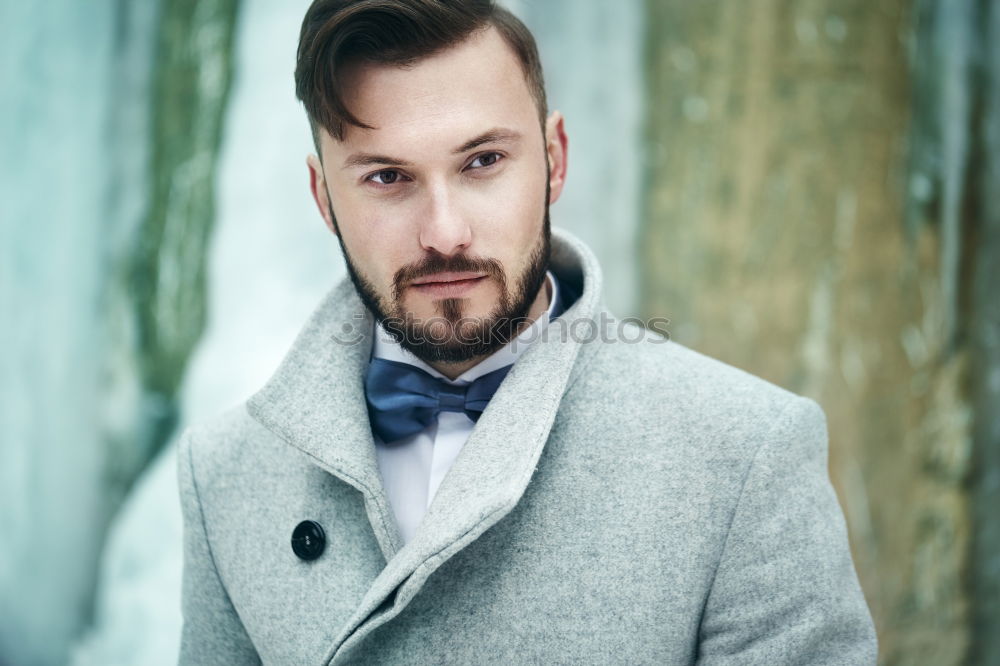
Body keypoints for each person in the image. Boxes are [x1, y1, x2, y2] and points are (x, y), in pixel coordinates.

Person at [177, 0, 878, 663]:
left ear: (556, 160)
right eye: (388, 177)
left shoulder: (745, 456)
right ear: (323, 197)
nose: (444, 233)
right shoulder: (227, 476)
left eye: (483, 162)